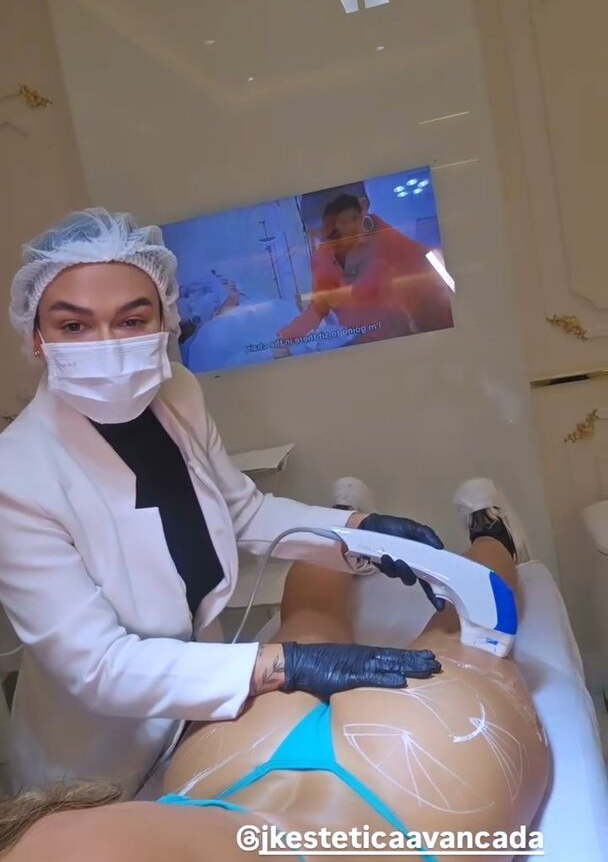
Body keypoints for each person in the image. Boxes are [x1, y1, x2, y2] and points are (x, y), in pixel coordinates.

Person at [0, 481, 549, 862]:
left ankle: (362, 532)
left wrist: (345, 531)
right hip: (326, 805)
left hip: (269, 790)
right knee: (459, 630)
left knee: (332, 628)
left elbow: (242, 509)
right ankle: (485, 535)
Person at [0, 208, 444, 797]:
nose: (107, 345)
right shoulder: (16, 475)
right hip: (96, 761)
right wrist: (284, 664)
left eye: (132, 320)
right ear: (37, 337)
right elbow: (98, 666)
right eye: (74, 325)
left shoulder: (177, 393)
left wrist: (362, 533)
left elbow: (243, 511)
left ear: (165, 321)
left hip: (201, 712)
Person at [278, 193, 454, 348]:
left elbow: (439, 298)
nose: (331, 241)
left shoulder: (393, 245)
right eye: (321, 234)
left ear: (361, 209)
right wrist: (286, 338)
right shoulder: (323, 256)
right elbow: (319, 306)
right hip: (361, 346)